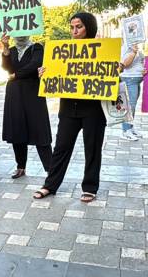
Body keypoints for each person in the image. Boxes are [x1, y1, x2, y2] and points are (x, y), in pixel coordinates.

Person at [32, 12, 108, 203]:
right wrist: (45, 73)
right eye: (72, 27)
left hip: (93, 109)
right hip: (68, 108)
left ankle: (90, 187)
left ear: (89, 27)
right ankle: (50, 185)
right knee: (61, 147)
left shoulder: (102, 49)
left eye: (79, 26)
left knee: (92, 148)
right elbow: (56, 76)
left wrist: (116, 67)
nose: (74, 31)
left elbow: (108, 76)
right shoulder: (62, 50)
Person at [1, 35, 52, 179]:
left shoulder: (36, 48)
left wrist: (16, 75)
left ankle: (50, 169)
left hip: (33, 94)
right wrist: (5, 47)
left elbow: (35, 64)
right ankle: (20, 166)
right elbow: (6, 67)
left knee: (39, 130)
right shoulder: (11, 50)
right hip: (14, 94)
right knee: (17, 129)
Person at [119, 24, 146, 141]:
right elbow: (124, 64)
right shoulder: (127, 46)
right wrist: (134, 52)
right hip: (129, 79)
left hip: (136, 80)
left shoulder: (135, 45)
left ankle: (130, 128)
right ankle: (126, 130)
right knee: (130, 106)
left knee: (132, 106)